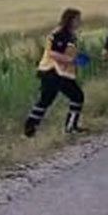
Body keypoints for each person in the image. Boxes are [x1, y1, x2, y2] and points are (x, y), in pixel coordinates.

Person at [24, 8, 86, 137]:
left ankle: (70, 127)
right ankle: (30, 130)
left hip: (62, 73)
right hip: (52, 71)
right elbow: (53, 53)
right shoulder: (60, 34)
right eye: (77, 19)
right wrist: (70, 60)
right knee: (47, 100)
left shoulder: (70, 35)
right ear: (71, 20)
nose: (80, 22)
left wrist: (75, 59)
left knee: (76, 96)